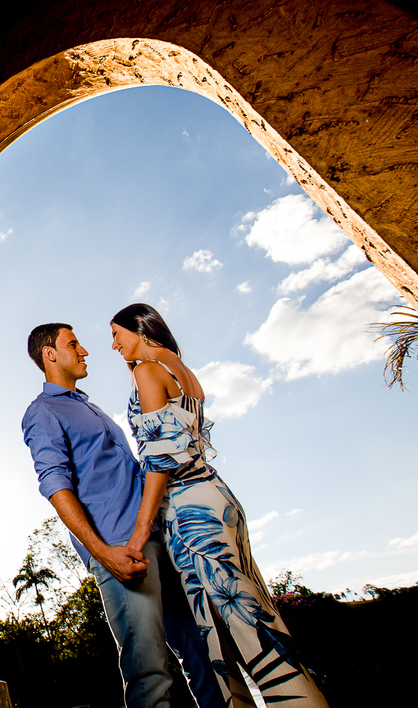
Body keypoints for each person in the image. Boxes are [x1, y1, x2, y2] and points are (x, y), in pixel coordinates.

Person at [111, 303, 329, 707]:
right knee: (253, 610)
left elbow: (160, 457)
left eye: (117, 334)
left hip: (188, 509)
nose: (113, 345)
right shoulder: (180, 370)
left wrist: (141, 530)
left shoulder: (147, 370)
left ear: (139, 330)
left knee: (235, 626)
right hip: (215, 495)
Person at [22, 322, 226, 708]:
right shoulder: (43, 411)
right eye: (73, 344)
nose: (84, 351)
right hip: (120, 549)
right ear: (50, 355)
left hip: (155, 539)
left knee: (204, 656)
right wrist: (103, 553)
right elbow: (53, 483)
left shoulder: (88, 406)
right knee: (149, 672)